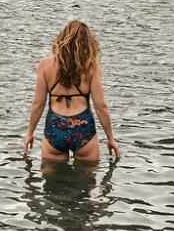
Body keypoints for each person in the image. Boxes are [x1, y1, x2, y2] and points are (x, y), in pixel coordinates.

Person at [22, 19, 119, 166]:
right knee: (86, 185)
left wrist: (30, 133)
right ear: (88, 43)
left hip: (55, 128)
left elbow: (38, 103)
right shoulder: (91, 67)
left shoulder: (45, 64)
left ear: (62, 39)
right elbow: (101, 106)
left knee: (52, 186)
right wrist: (111, 139)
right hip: (83, 128)